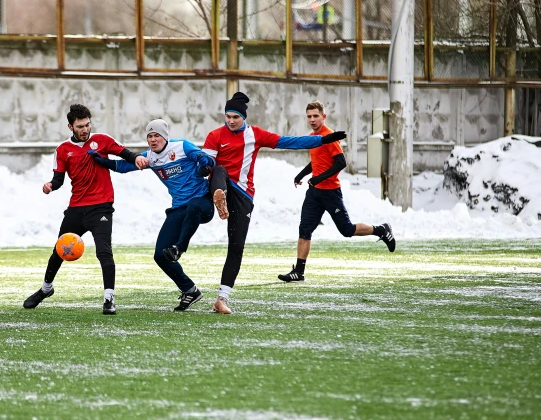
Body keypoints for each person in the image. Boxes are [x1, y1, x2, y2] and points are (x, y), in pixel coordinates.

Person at [201, 92, 347, 314]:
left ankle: (222, 299)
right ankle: (218, 200)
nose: (231, 121)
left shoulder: (255, 135)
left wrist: (323, 139)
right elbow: (207, 162)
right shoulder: (214, 135)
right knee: (218, 171)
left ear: (244, 117)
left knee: (236, 246)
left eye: (235, 117)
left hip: (243, 195)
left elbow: (289, 141)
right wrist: (203, 167)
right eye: (228, 116)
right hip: (220, 186)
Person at [23, 103, 147, 315]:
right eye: (80, 126)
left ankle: (109, 299)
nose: (85, 130)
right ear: (70, 126)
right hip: (76, 209)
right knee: (59, 251)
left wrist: (136, 158)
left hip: (101, 208)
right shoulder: (63, 150)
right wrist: (51, 185)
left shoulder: (103, 140)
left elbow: (124, 152)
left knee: (104, 252)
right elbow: (59, 179)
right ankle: (46, 289)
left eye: (87, 125)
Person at [89, 119, 218, 312]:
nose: (153, 139)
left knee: (192, 206)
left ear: (164, 137)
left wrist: (204, 163)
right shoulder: (150, 157)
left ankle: (180, 248)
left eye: (156, 135)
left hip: (203, 203)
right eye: (149, 136)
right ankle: (189, 289)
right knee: (160, 255)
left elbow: (206, 158)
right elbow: (124, 167)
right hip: (179, 209)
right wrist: (102, 161)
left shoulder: (181, 146)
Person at [278, 100, 395, 283]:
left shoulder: (330, 136)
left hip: (330, 192)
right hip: (314, 193)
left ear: (323, 116)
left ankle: (381, 230)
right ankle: (299, 272)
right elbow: (316, 162)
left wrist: (319, 178)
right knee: (304, 229)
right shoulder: (313, 137)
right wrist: (301, 175)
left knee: (347, 230)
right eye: (309, 116)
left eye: (316, 116)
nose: (312, 119)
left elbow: (341, 162)